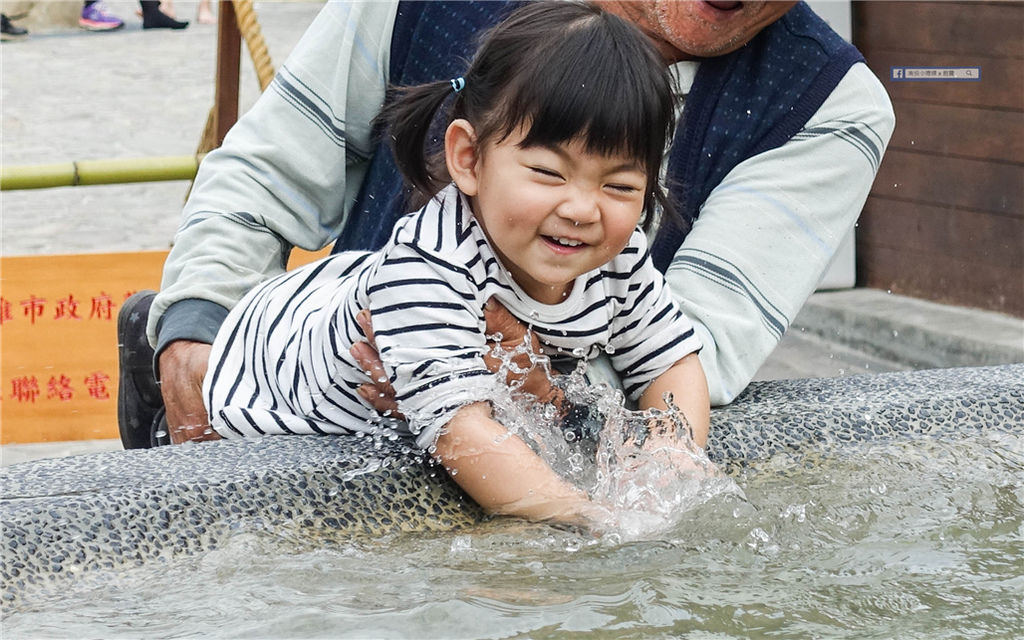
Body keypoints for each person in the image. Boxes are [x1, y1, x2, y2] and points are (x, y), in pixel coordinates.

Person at [117, 0, 894, 448]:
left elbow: (698, 347)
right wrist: (192, 329)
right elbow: (264, 170)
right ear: (465, 153)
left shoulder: (831, 104)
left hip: (541, 467)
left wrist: (508, 386)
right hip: (326, 422)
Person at [198, 1, 706, 529]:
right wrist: (590, 519)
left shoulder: (619, 254)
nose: (581, 209)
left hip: (355, 293)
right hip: (269, 369)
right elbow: (461, 434)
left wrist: (672, 454)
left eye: (619, 185)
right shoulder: (430, 270)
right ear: (468, 158)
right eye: (549, 173)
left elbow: (671, 359)